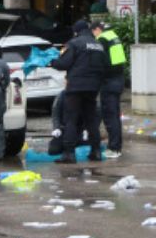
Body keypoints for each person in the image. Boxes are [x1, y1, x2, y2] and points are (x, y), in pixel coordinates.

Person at [50, 19, 107, 164]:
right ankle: (96, 151)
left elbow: (63, 63)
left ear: (76, 31)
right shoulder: (99, 45)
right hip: (93, 87)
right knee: (91, 120)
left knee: (71, 119)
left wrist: (51, 62)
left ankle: (69, 153)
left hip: (76, 86)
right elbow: (105, 65)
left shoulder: (74, 43)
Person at [92, 21, 126, 159]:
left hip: (109, 82)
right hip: (119, 80)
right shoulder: (113, 36)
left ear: (96, 30)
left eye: (93, 32)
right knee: (115, 116)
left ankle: (114, 148)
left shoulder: (102, 39)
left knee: (110, 117)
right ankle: (117, 146)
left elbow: (99, 61)